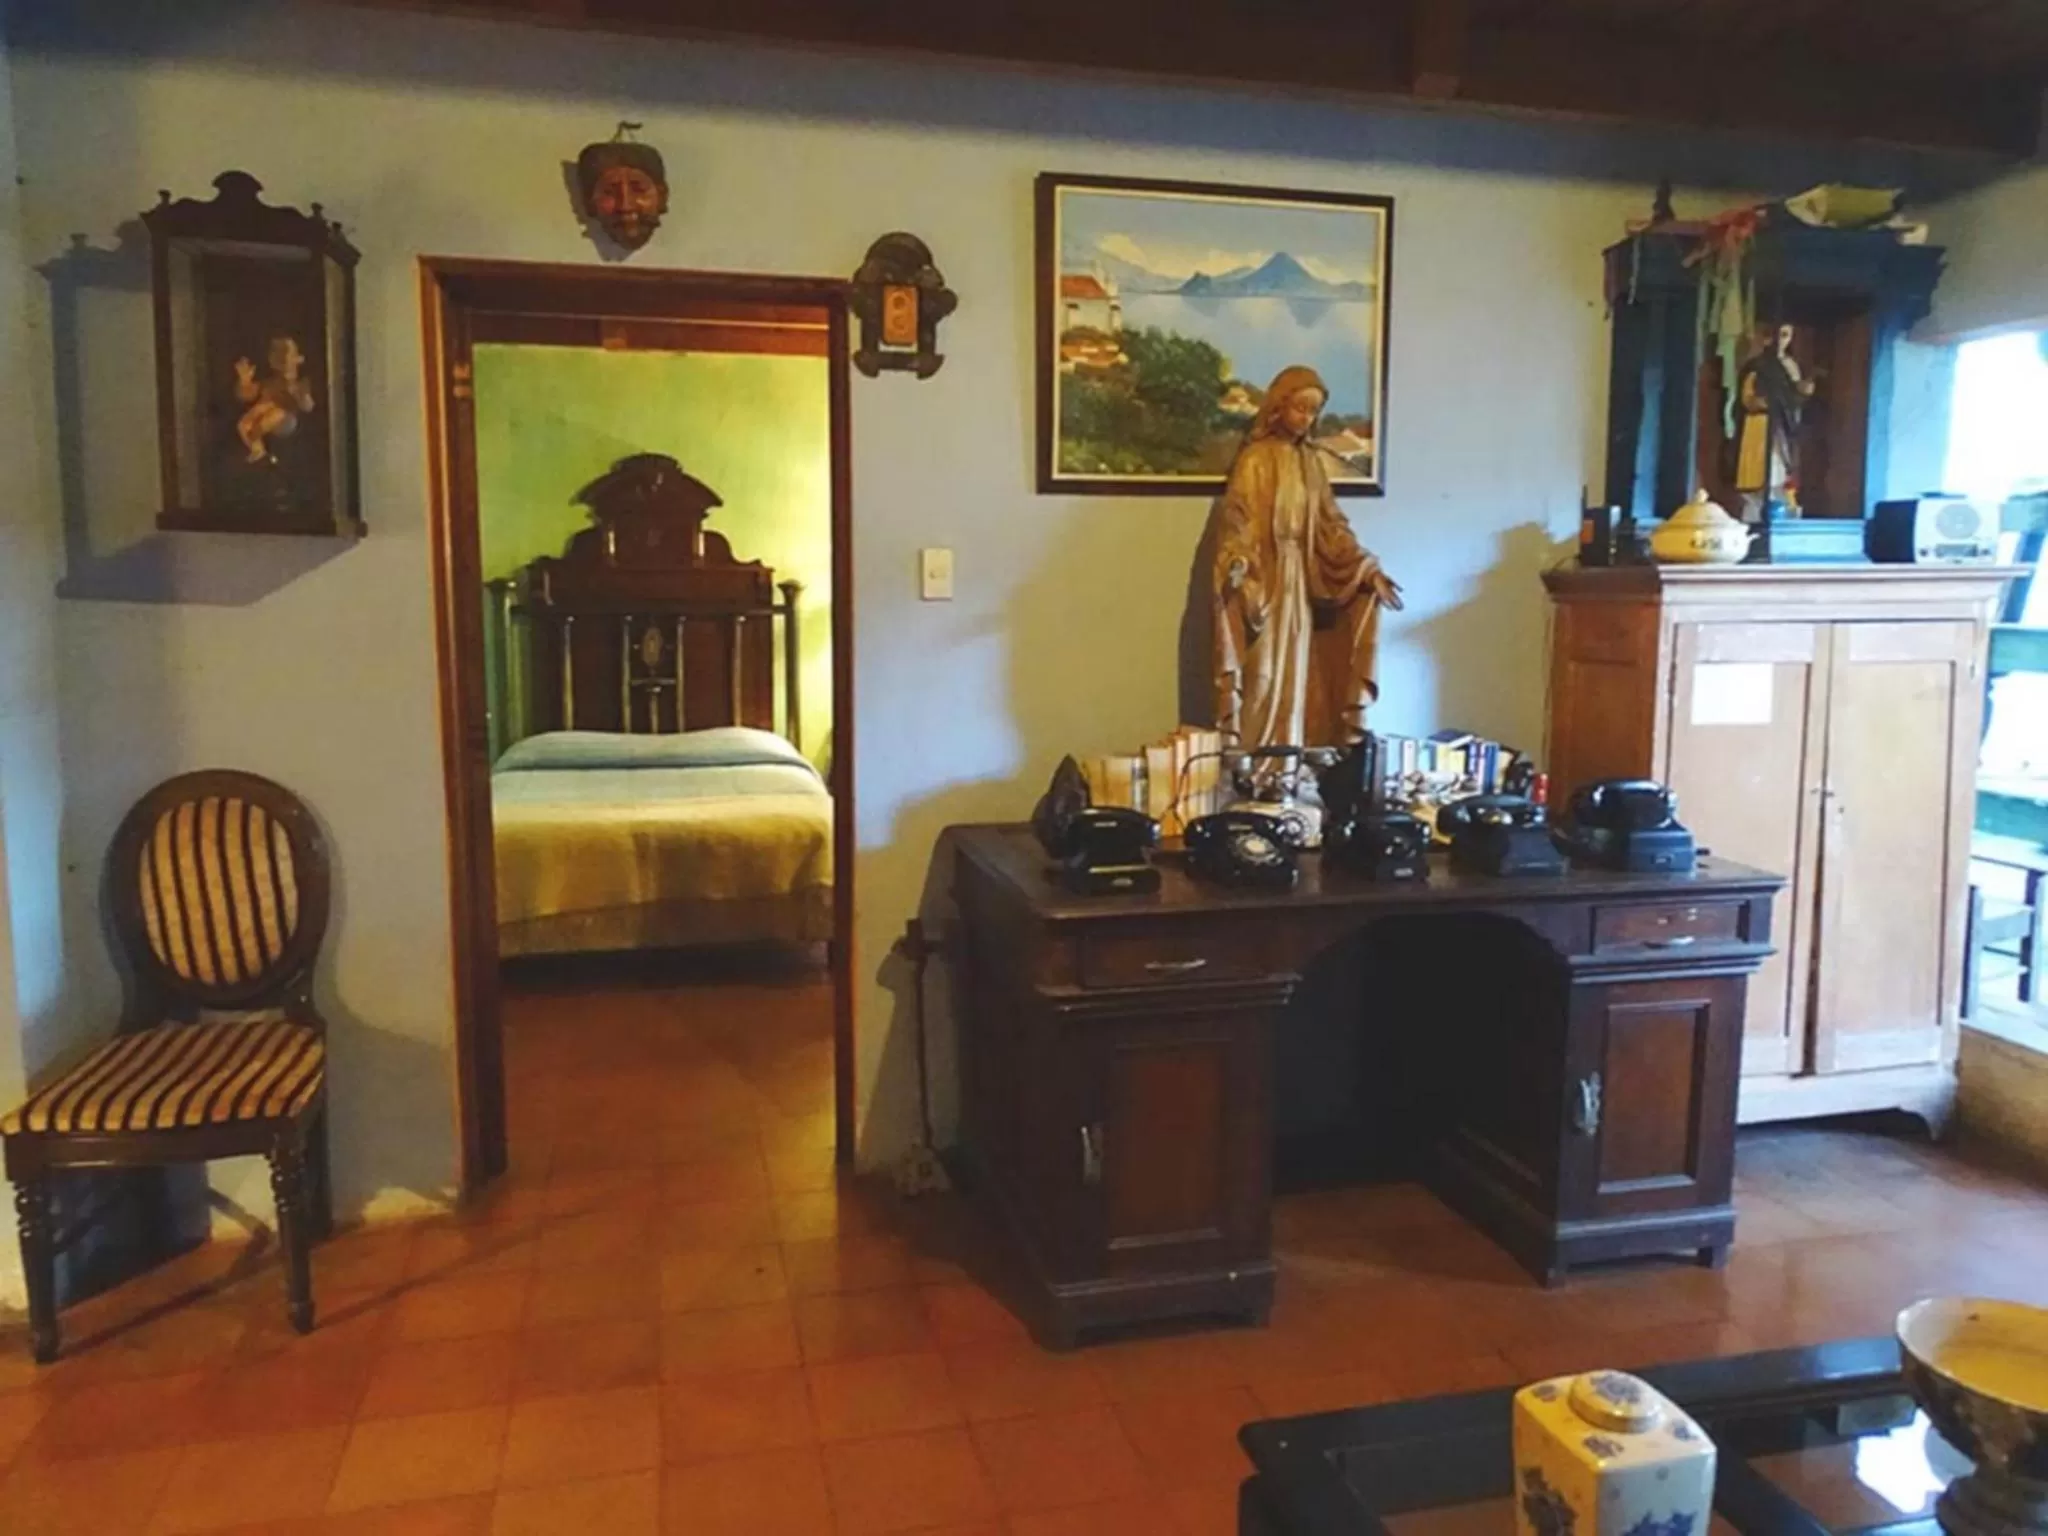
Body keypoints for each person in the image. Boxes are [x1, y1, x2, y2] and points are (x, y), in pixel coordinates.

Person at [1210, 365, 1401, 750]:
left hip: (1300, 583)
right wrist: (1236, 561)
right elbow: (1238, 520)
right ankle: (1254, 765)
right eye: (1300, 407)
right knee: (1261, 677)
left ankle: (1288, 766)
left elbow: (1333, 526)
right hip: (1263, 584)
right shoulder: (1255, 460)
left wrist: (1366, 569)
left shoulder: (1310, 463)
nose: (1306, 418)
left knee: (1297, 682)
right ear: (1279, 408)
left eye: (1313, 411)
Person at [1734, 323, 1815, 514]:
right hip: (1760, 424)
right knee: (1759, 468)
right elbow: (1747, 397)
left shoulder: (1791, 366)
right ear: (1766, 338)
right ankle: (1756, 508)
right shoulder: (1756, 365)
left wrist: (1803, 392)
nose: (1781, 340)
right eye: (1776, 334)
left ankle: (1781, 503)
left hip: (1784, 423)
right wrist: (1757, 402)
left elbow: (1794, 397)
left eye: (1786, 335)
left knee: (1781, 465)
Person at [233, 335, 314, 464]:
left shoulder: (299, 385)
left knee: (275, 414)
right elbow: (247, 394)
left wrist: (302, 397)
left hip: (286, 418)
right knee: (245, 424)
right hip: (268, 414)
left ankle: (258, 437)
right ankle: (257, 448)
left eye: (288, 355)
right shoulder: (270, 384)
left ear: (298, 359)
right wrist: (244, 381)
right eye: (279, 356)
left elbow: (307, 405)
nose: (284, 361)